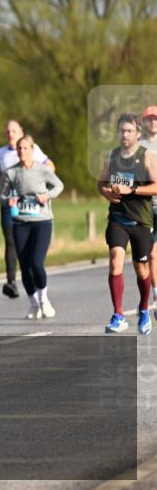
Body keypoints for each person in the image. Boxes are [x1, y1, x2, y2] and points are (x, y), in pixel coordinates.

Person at [97, 113, 157, 335]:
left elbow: (156, 187)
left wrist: (131, 190)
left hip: (141, 220)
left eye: (129, 130)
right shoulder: (111, 156)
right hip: (118, 219)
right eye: (122, 130)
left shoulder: (147, 157)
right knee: (115, 262)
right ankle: (118, 315)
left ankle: (143, 309)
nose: (125, 134)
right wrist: (106, 193)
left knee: (142, 270)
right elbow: (100, 184)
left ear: (138, 133)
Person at [0, 135, 64, 320]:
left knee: (36, 262)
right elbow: (1, 197)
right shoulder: (11, 172)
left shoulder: (42, 170)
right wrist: (8, 200)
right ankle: (34, 303)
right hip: (20, 223)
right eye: (19, 148)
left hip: (42, 222)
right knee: (25, 266)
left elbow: (59, 185)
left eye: (25, 148)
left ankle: (44, 299)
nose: (22, 151)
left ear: (32, 150)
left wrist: (47, 196)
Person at [0, 120, 55, 298]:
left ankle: (35, 276)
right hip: (12, 203)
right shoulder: (1, 152)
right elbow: (1, 172)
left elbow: (50, 166)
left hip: (33, 204)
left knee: (31, 249)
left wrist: (38, 180)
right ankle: (11, 280)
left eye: (14, 131)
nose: (10, 134)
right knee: (10, 239)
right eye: (7, 131)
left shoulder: (32, 148)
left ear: (21, 133)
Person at [141, 105, 157, 274]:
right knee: (151, 253)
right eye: (149, 119)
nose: (153, 122)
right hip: (145, 204)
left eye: (155, 119)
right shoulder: (137, 144)